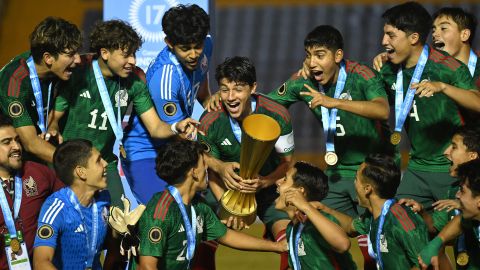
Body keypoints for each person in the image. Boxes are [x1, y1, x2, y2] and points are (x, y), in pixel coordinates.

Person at [266, 25, 392, 269]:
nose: (312, 63)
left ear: (338, 55)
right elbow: (266, 105)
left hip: (372, 171)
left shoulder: (362, 76)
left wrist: (333, 102)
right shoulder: (305, 82)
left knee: (376, 245)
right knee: (315, 230)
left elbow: (382, 109)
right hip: (337, 173)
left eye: (320, 55)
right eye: (308, 55)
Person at [48, 20, 198, 209]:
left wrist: (176, 127)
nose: (133, 61)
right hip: (72, 165)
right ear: (104, 53)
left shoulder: (134, 82)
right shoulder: (77, 74)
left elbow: (156, 127)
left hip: (104, 163)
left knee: (120, 221)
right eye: (126, 55)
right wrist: (52, 128)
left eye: (134, 54)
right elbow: (53, 120)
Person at [377, 1, 480, 212]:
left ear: (413, 38)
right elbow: (371, 102)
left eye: (391, 35)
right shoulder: (387, 70)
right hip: (416, 167)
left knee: (455, 235)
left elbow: (477, 103)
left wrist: (443, 87)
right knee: (399, 221)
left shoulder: (448, 68)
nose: (383, 41)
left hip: (450, 167)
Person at [198, 56, 294, 269]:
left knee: (292, 241)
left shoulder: (277, 114)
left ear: (253, 88)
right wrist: (228, 204)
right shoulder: (209, 121)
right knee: (202, 239)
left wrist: (266, 182)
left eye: (238, 89)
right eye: (224, 89)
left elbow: (287, 164)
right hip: (224, 189)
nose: (230, 97)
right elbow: (208, 166)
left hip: (268, 190)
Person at [132, 139, 287, 270]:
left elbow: (226, 235)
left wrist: (277, 247)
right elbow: (147, 267)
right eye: (203, 164)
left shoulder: (199, 205)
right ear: (193, 172)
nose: (208, 168)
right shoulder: (161, 211)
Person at [122, 4, 214, 204]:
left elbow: (203, 87)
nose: (194, 54)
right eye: (185, 49)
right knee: (165, 215)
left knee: (200, 218)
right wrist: (215, 163)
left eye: (197, 46)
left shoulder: (206, 44)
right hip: (147, 153)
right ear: (169, 42)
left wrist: (210, 103)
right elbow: (179, 135)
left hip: (177, 147)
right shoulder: (165, 79)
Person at [318, 154, 429, 269]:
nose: (354, 184)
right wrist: (323, 209)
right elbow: (350, 227)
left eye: (356, 179)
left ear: (367, 189)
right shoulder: (373, 216)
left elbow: (425, 265)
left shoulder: (403, 220)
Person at [0, 17, 81, 163]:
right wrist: (74, 165)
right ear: (48, 58)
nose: (78, 60)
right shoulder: (15, 83)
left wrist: (52, 126)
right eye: (70, 55)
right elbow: (30, 143)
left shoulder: (56, 70)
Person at [399, 125, 480, 269]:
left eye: (454, 147)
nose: (446, 152)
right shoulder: (454, 191)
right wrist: (422, 212)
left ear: (472, 156)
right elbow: (437, 227)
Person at [33, 139, 110, 269]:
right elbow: (40, 263)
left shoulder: (104, 199)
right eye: (98, 160)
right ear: (81, 172)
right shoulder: (56, 207)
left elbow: (114, 247)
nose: (105, 163)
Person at [0, 115, 63, 269]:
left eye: (17, 140)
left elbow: (71, 202)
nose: (16, 147)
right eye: (7, 142)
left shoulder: (38, 172)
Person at [275, 161, 356, 269]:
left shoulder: (318, 221)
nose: (278, 182)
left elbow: (343, 244)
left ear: (300, 191)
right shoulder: (291, 228)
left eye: (285, 179)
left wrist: (305, 207)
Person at [419, 159, 480, 270]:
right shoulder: (474, 217)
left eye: (462, 190)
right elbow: (460, 221)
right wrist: (437, 242)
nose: (457, 195)